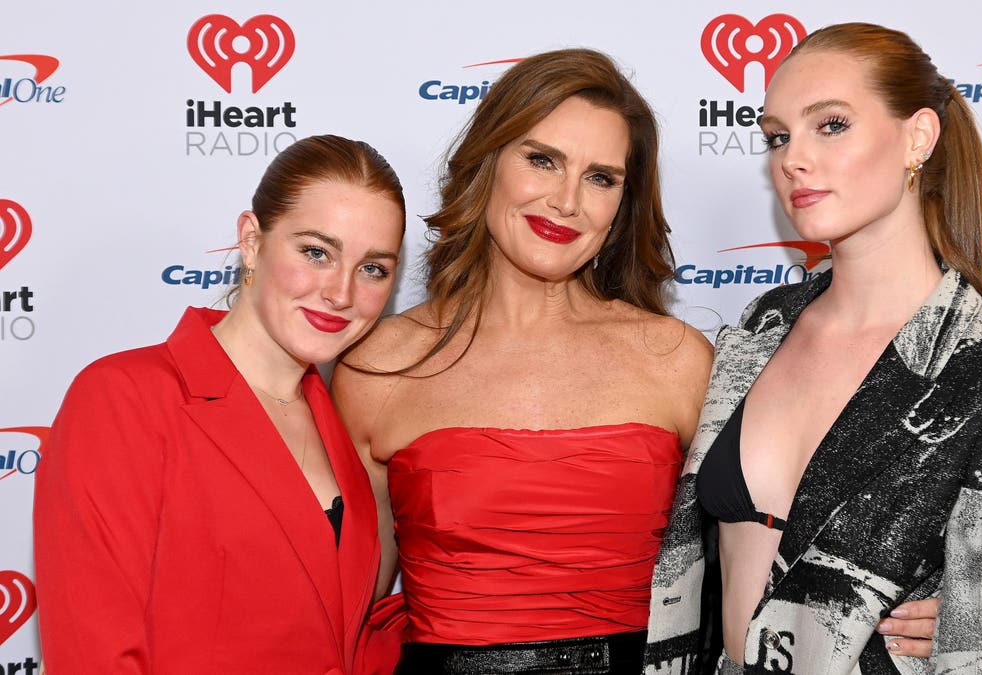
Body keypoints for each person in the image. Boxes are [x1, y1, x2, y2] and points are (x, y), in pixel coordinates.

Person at [336, 48, 939, 675]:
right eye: (542, 160)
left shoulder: (677, 361)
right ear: (488, 163)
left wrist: (940, 605)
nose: (566, 201)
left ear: (624, 202)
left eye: (602, 178)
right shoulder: (380, 366)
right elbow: (344, 600)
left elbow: (780, 544)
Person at [643, 22, 982, 675]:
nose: (791, 158)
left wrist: (976, 623)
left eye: (831, 125)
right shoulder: (760, 329)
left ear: (918, 137)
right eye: (777, 136)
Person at [33, 135, 407, 674]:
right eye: (316, 252)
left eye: (373, 268)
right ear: (252, 241)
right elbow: (94, 654)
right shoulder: (125, 398)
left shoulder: (344, 426)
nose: (341, 293)